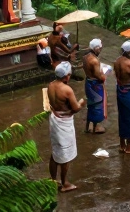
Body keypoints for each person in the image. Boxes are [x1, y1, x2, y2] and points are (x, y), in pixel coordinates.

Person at [47, 61, 84, 193]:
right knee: (65, 154)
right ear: (66, 76)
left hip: (54, 119)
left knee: (55, 151)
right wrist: (81, 102)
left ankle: (52, 180)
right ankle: (65, 184)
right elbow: (75, 109)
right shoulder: (67, 90)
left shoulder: (50, 85)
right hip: (64, 123)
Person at [82, 39, 106, 134]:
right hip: (95, 85)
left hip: (88, 82)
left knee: (90, 104)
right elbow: (98, 76)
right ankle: (95, 127)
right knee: (97, 105)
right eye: (100, 49)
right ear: (96, 49)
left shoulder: (85, 57)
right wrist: (104, 76)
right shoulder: (94, 60)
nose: (100, 50)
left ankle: (87, 126)